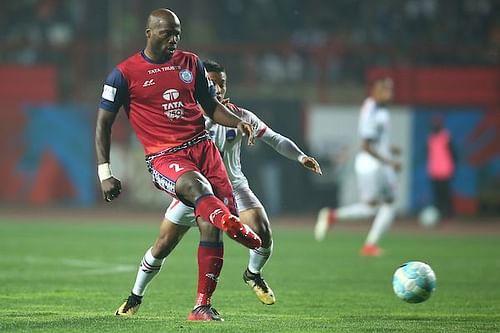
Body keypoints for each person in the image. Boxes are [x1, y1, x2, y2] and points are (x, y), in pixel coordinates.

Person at [95, 8, 262, 321]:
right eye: (166, 33)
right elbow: (103, 124)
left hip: (203, 148)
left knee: (210, 229)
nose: (173, 39)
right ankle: (229, 220)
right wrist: (105, 172)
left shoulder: (191, 62)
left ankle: (201, 306)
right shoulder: (123, 74)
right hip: (165, 155)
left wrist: (238, 122)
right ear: (148, 32)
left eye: (177, 33)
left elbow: (210, 106)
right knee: (195, 189)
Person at [118, 59, 322, 314]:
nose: (217, 88)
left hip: (234, 187)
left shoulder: (240, 116)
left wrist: (301, 156)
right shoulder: (184, 118)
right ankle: (135, 296)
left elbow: (274, 138)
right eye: (211, 82)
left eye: (221, 83)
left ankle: (251, 274)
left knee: (263, 235)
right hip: (194, 192)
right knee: (162, 246)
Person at [314, 77, 400, 256]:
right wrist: (389, 161)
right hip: (374, 165)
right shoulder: (373, 111)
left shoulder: (377, 109)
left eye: (391, 90)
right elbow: (366, 145)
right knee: (389, 204)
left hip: (371, 164)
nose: (390, 94)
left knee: (371, 208)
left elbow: (375, 141)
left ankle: (333, 216)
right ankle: (369, 245)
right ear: (375, 90)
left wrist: (389, 148)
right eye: (386, 90)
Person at [426, 115, 456, 218]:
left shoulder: (446, 136)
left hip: (445, 170)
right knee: (437, 195)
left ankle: (448, 214)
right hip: (434, 170)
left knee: (446, 194)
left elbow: (453, 153)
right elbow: (428, 154)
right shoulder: (430, 137)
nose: (435, 126)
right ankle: (438, 215)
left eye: (437, 124)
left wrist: (453, 168)